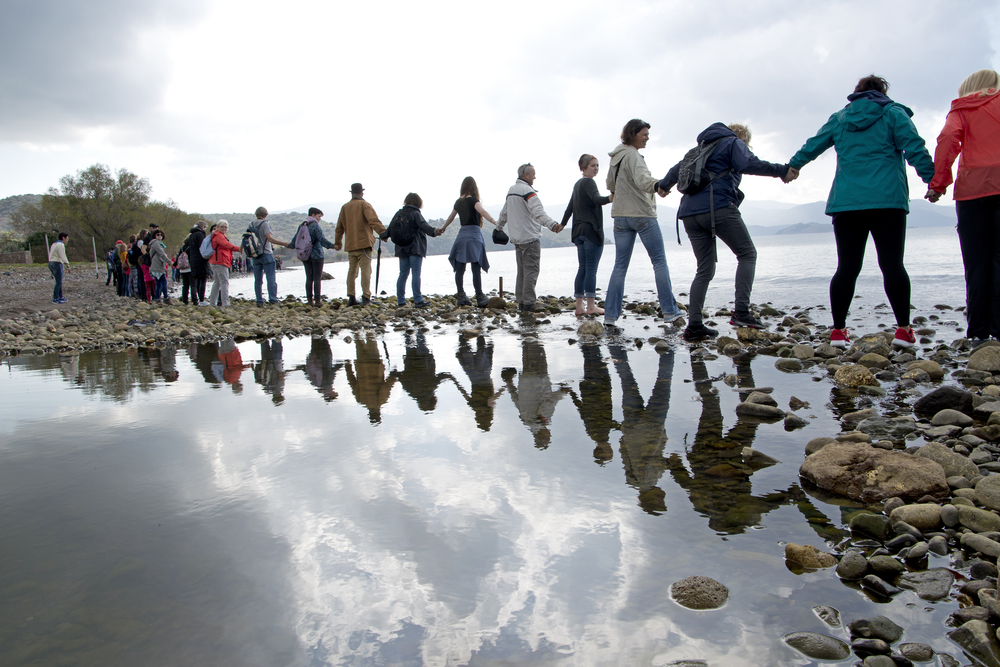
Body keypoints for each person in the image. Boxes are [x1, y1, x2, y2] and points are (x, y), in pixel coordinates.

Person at [789, 74, 935, 349]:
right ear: (883, 92)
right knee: (892, 265)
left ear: (857, 93)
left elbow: (813, 144)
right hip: (887, 201)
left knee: (847, 267)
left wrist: (793, 166)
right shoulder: (894, 114)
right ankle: (903, 330)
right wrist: (933, 181)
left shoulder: (840, 118)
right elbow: (915, 147)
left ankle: (838, 331)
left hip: (847, 203)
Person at [658, 123, 795, 341]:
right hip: (718, 207)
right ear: (743, 138)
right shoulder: (732, 142)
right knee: (747, 254)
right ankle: (741, 312)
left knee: (704, 269)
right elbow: (749, 163)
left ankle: (694, 326)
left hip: (688, 214)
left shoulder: (698, 150)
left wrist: (663, 186)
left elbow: (674, 172)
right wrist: (781, 170)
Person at [927, 69, 1000, 343]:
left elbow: (948, 140)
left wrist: (939, 183)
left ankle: (978, 333)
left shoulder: (961, 108)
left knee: (976, 264)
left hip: (972, 192)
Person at [605, 119, 683, 329]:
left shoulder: (616, 156)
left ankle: (610, 316)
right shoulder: (633, 155)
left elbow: (610, 184)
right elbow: (643, 180)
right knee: (659, 262)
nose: (648, 138)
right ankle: (670, 311)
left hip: (620, 216)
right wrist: (659, 186)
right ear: (633, 134)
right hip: (641, 214)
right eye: (644, 134)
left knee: (620, 265)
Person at [496, 164, 564, 312]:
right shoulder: (528, 192)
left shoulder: (511, 191)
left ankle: (521, 301)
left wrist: (499, 227)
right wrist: (552, 225)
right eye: (533, 174)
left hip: (517, 239)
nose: (535, 177)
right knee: (531, 271)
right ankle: (529, 303)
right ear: (526, 175)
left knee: (521, 271)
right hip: (530, 237)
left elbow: (504, 213)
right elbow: (538, 213)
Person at [561, 154, 613, 316]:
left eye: (597, 165)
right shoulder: (589, 182)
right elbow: (596, 199)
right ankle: (591, 306)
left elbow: (570, 207)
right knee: (591, 269)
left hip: (578, 231)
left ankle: (579, 307)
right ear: (583, 167)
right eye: (592, 165)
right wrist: (610, 198)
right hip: (590, 231)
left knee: (582, 268)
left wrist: (562, 224)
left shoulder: (578, 184)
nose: (596, 168)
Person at [438, 176, 499, 307]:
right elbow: (483, 212)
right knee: (476, 267)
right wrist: (494, 222)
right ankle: (480, 297)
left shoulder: (458, 202)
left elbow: (451, 217)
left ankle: (461, 296)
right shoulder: (474, 201)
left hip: (462, 236)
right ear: (474, 187)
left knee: (460, 268)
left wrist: (443, 227)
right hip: (473, 236)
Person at [379, 193, 439, 307]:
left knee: (403, 274)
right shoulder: (416, 214)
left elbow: (390, 228)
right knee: (416, 273)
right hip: (415, 247)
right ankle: (418, 300)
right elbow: (424, 226)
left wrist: (383, 236)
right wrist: (435, 232)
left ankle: (401, 301)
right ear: (418, 203)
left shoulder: (399, 213)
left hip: (401, 248)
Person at [334, 183, 387, 305]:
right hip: (364, 243)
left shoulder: (345, 207)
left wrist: (338, 243)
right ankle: (366, 297)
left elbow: (339, 228)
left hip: (350, 244)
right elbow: (373, 221)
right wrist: (383, 233)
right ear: (362, 193)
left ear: (352, 193)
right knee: (366, 271)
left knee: (352, 271)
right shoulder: (364, 205)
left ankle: (351, 297)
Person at [248, 206, 288, 307]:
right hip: (266, 253)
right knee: (270, 278)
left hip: (255, 255)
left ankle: (259, 300)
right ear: (266, 215)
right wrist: (284, 243)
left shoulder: (251, 224)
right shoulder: (265, 224)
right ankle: (273, 299)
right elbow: (269, 238)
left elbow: (246, 238)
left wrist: (241, 249)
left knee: (258, 280)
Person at [299, 207, 337, 307]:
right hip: (316, 254)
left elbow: (296, 240)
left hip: (305, 255)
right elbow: (322, 240)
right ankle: (318, 301)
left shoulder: (302, 225)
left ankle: (309, 300)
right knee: (317, 278)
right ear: (313, 215)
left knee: (309, 278)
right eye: (319, 216)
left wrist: (288, 245)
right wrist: (333, 246)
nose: (319, 219)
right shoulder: (315, 225)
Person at [207, 220, 243, 307]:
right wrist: (239, 249)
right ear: (218, 227)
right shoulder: (219, 236)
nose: (224, 228)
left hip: (215, 261)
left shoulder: (216, 235)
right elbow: (227, 245)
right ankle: (225, 303)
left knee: (217, 282)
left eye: (226, 227)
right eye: (222, 226)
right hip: (220, 261)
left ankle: (213, 303)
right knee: (224, 282)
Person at [185, 221, 209, 305]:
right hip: (200, 259)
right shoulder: (200, 234)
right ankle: (202, 299)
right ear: (202, 227)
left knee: (197, 280)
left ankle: (197, 299)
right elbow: (203, 247)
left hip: (193, 260)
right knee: (202, 279)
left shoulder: (191, 235)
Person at [148, 229, 172, 303]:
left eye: (161, 234)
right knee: (163, 282)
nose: (160, 236)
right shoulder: (156, 243)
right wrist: (170, 262)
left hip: (157, 265)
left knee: (158, 283)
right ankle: (165, 298)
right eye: (158, 234)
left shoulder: (158, 243)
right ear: (154, 235)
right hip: (157, 265)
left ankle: (157, 298)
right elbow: (161, 254)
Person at [48, 232, 70, 304]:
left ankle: (61, 296)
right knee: (58, 281)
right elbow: (62, 255)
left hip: (51, 263)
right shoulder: (60, 245)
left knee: (59, 281)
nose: (67, 240)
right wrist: (67, 264)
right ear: (63, 238)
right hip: (56, 263)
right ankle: (55, 298)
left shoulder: (54, 244)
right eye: (67, 238)